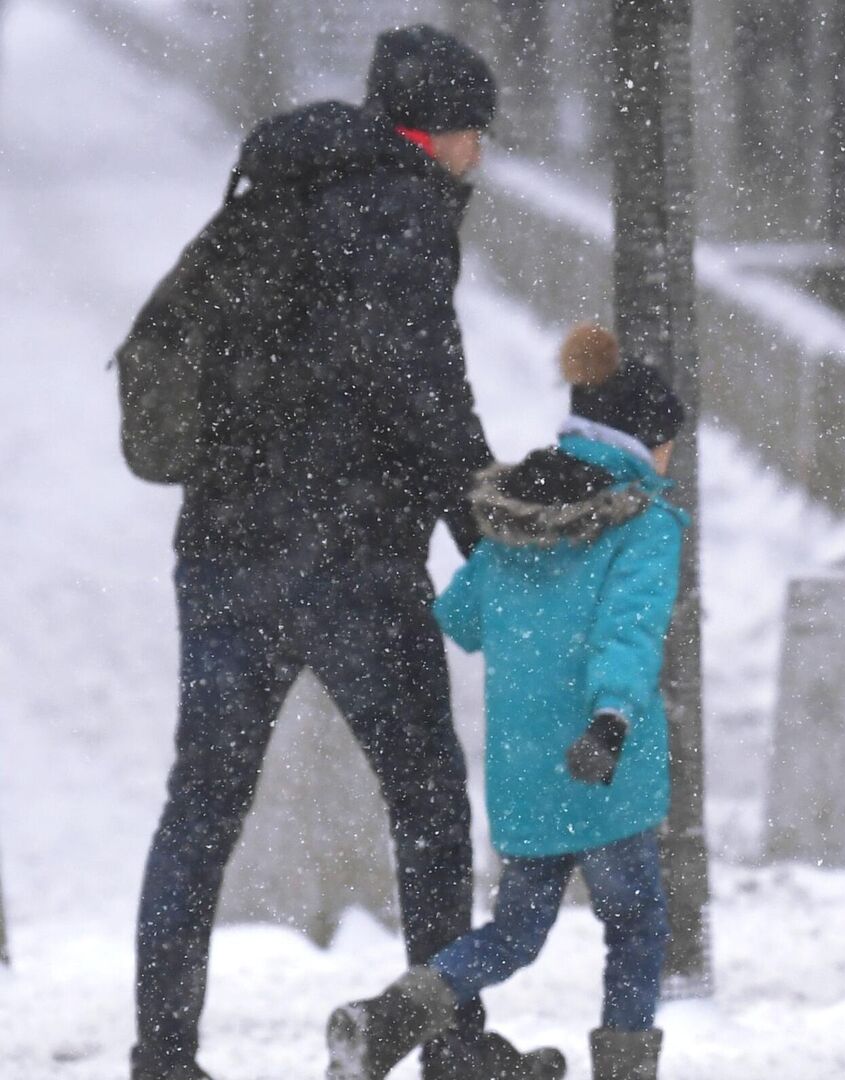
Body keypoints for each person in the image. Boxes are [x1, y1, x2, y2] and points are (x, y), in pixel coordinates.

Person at [129, 25, 540, 1080]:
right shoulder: (402, 213)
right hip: (349, 555)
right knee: (429, 797)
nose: (478, 157)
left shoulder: (273, 191)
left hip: (224, 547)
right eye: (471, 135)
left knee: (202, 807)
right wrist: (489, 540)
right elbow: (426, 393)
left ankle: (163, 1057)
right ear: (434, 132)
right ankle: (450, 1042)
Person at [326, 325, 688, 1080]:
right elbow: (629, 631)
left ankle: (389, 1017)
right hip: (604, 767)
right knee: (636, 925)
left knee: (515, 934)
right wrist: (610, 717)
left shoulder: (517, 519)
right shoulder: (644, 525)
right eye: (666, 443)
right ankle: (626, 1071)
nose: (671, 458)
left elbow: (460, 616)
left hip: (526, 778)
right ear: (637, 442)